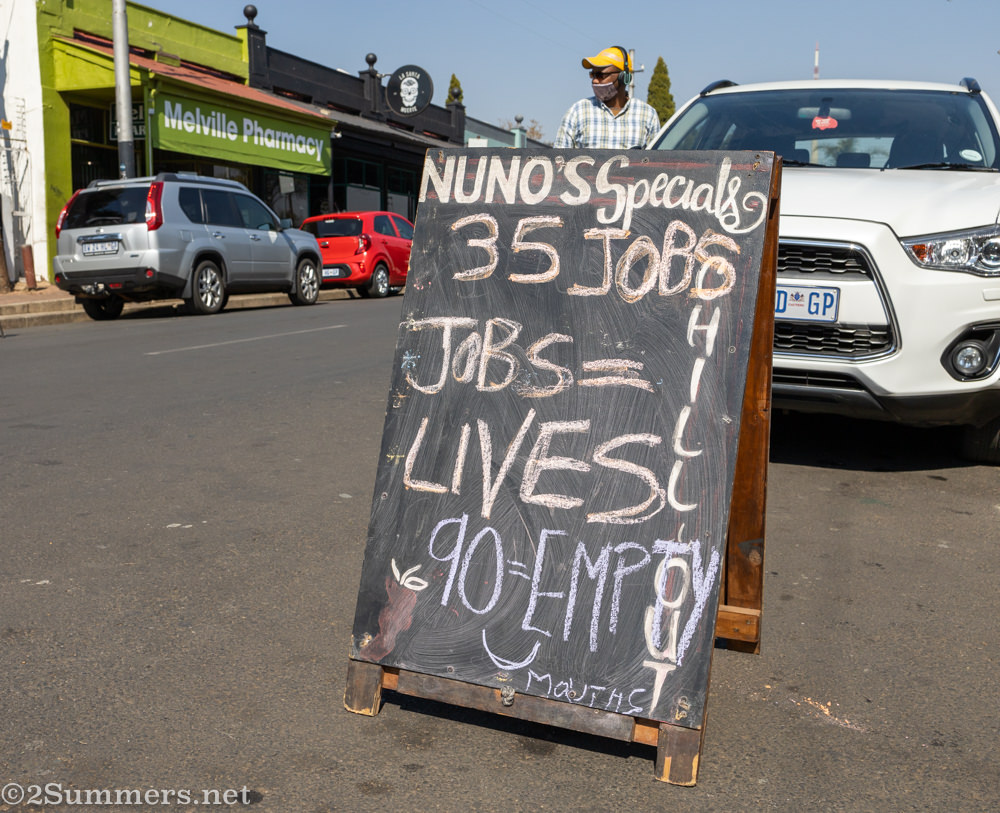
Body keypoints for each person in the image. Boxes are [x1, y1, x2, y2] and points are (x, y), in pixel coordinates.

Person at [553, 46, 661, 150]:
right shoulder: (577, 112)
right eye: (593, 75)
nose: (595, 80)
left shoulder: (648, 115)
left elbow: (658, 162)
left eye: (601, 75)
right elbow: (558, 161)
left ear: (623, 77)